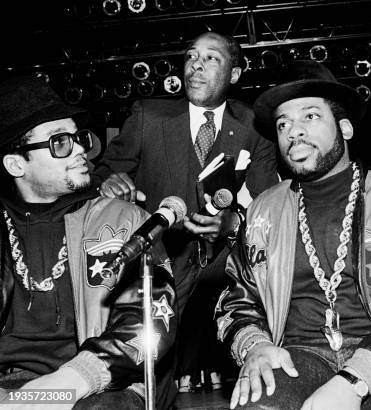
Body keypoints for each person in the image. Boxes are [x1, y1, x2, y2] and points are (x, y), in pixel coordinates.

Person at [215, 60, 371, 410]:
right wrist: (254, 345)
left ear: (345, 128)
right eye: (283, 123)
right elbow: (236, 299)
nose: (293, 131)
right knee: (256, 403)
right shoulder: (263, 210)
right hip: (298, 354)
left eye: (310, 117)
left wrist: (354, 379)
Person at [93, 31, 279, 393]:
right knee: (151, 362)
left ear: (235, 74)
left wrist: (232, 223)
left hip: (222, 262)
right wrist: (108, 183)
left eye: (212, 58)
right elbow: (102, 174)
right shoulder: (149, 115)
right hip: (159, 260)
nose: (197, 64)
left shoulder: (255, 126)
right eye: (192, 55)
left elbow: (268, 207)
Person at [0, 75, 177, 408]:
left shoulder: (124, 220)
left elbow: (151, 319)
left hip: (100, 382)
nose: (81, 149)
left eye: (78, 138)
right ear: (15, 164)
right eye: (60, 142)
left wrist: (72, 380)